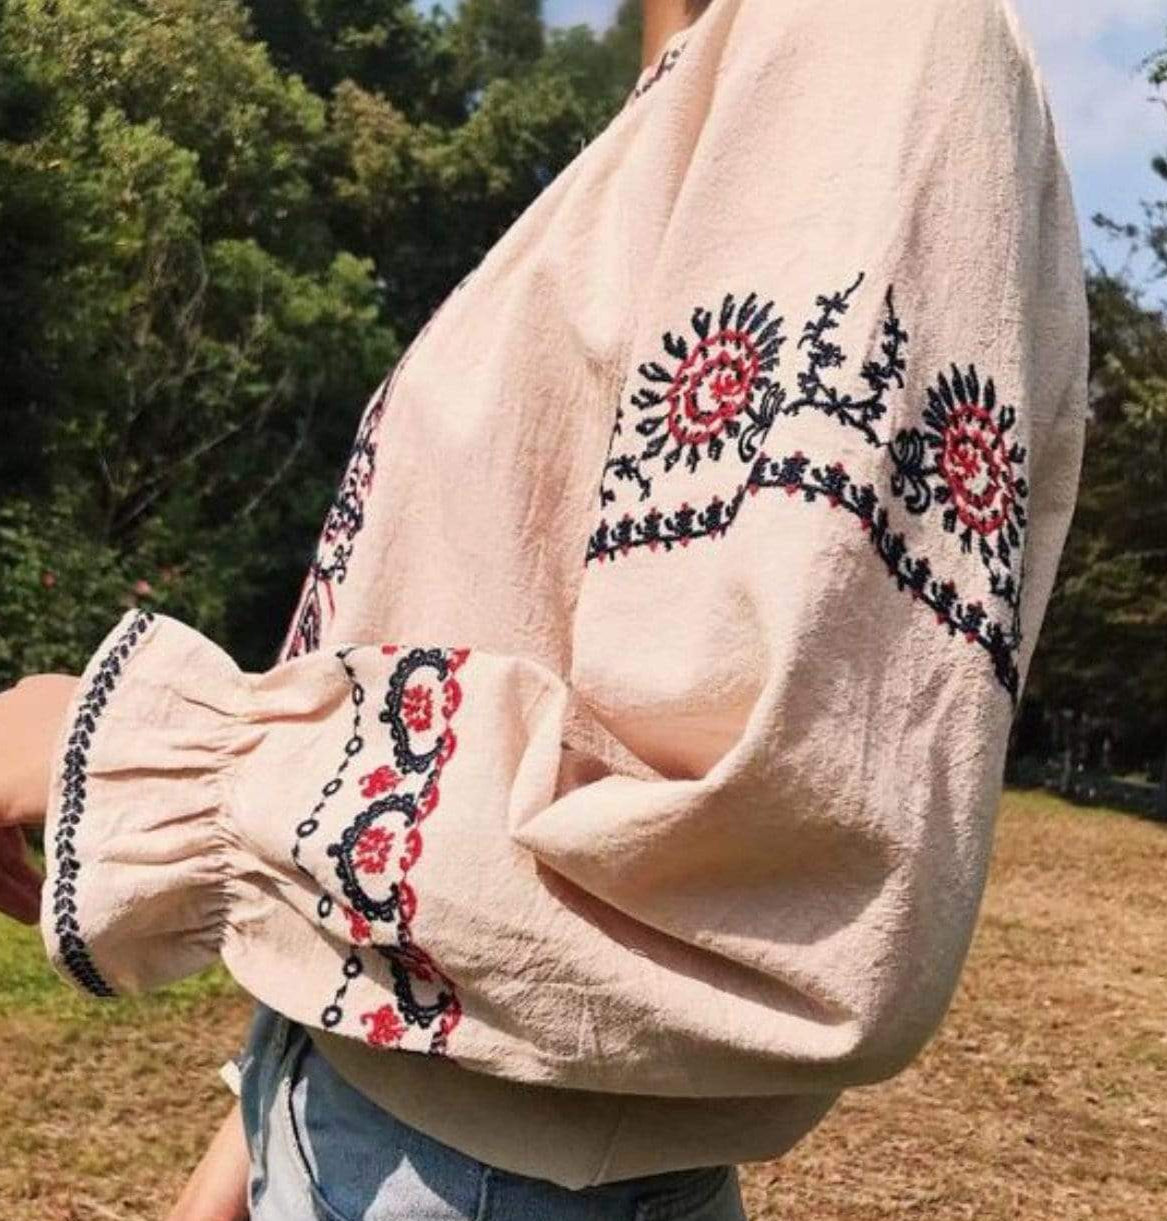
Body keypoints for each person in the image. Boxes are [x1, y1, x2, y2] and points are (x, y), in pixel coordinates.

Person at [0, 0, 1090, 1216]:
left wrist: (155, 761)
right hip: (380, 1114)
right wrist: (267, 1109)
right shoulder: (696, 93)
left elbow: (769, 850)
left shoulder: (872, 42)